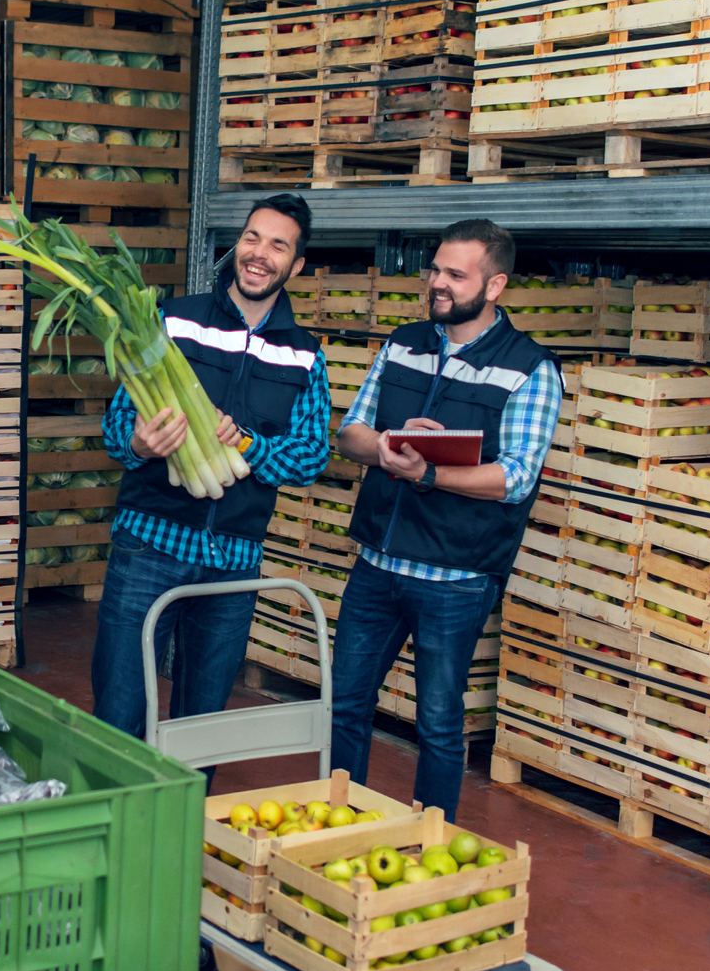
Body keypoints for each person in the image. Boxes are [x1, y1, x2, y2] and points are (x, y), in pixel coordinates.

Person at [330, 218, 560, 820]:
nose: (438, 283)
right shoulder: (402, 343)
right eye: (435, 269)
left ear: (496, 285)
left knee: (436, 723)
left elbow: (515, 477)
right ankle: (336, 823)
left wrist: (428, 474)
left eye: (455, 275)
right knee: (345, 705)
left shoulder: (530, 367)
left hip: (456, 579)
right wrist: (385, 447)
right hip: (378, 563)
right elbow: (350, 431)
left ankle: (430, 841)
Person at [90, 195, 333, 739]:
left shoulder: (304, 354)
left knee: (201, 725)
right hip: (150, 544)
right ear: (236, 246)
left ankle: (186, 821)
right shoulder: (171, 321)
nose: (259, 253)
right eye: (251, 237)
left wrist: (249, 445)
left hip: (233, 559)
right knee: (121, 708)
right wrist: (142, 444)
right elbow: (115, 428)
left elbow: (312, 455)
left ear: (295, 266)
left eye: (278, 245)